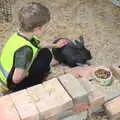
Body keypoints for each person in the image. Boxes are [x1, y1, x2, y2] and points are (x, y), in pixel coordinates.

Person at [0, 2, 68, 92]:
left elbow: (39, 44)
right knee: (44, 59)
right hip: (12, 84)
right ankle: (35, 84)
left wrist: (55, 45)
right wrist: (27, 72)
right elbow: (16, 79)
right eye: (44, 26)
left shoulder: (20, 35)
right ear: (38, 28)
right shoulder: (25, 51)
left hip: (8, 72)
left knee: (46, 53)